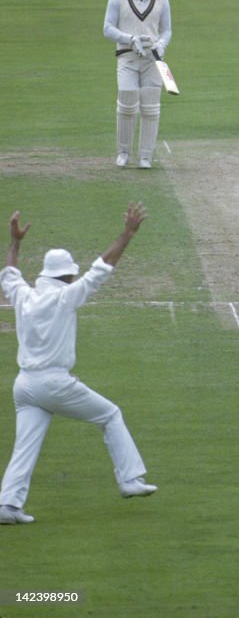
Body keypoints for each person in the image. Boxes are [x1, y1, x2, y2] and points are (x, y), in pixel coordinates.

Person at [0, 204, 157, 524]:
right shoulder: (65, 296)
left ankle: (8, 506)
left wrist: (15, 243)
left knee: (25, 446)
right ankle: (129, 480)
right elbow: (102, 268)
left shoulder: (25, 296)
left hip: (25, 386)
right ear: (67, 274)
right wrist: (127, 233)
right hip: (53, 383)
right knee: (110, 415)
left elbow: (9, 275)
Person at [103, 0, 172, 168]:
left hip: (152, 60)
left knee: (151, 107)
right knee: (127, 100)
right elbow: (107, 29)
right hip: (127, 57)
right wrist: (130, 39)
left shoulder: (161, 0)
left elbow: (167, 30)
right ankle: (123, 152)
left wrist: (160, 45)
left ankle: (145, 156)